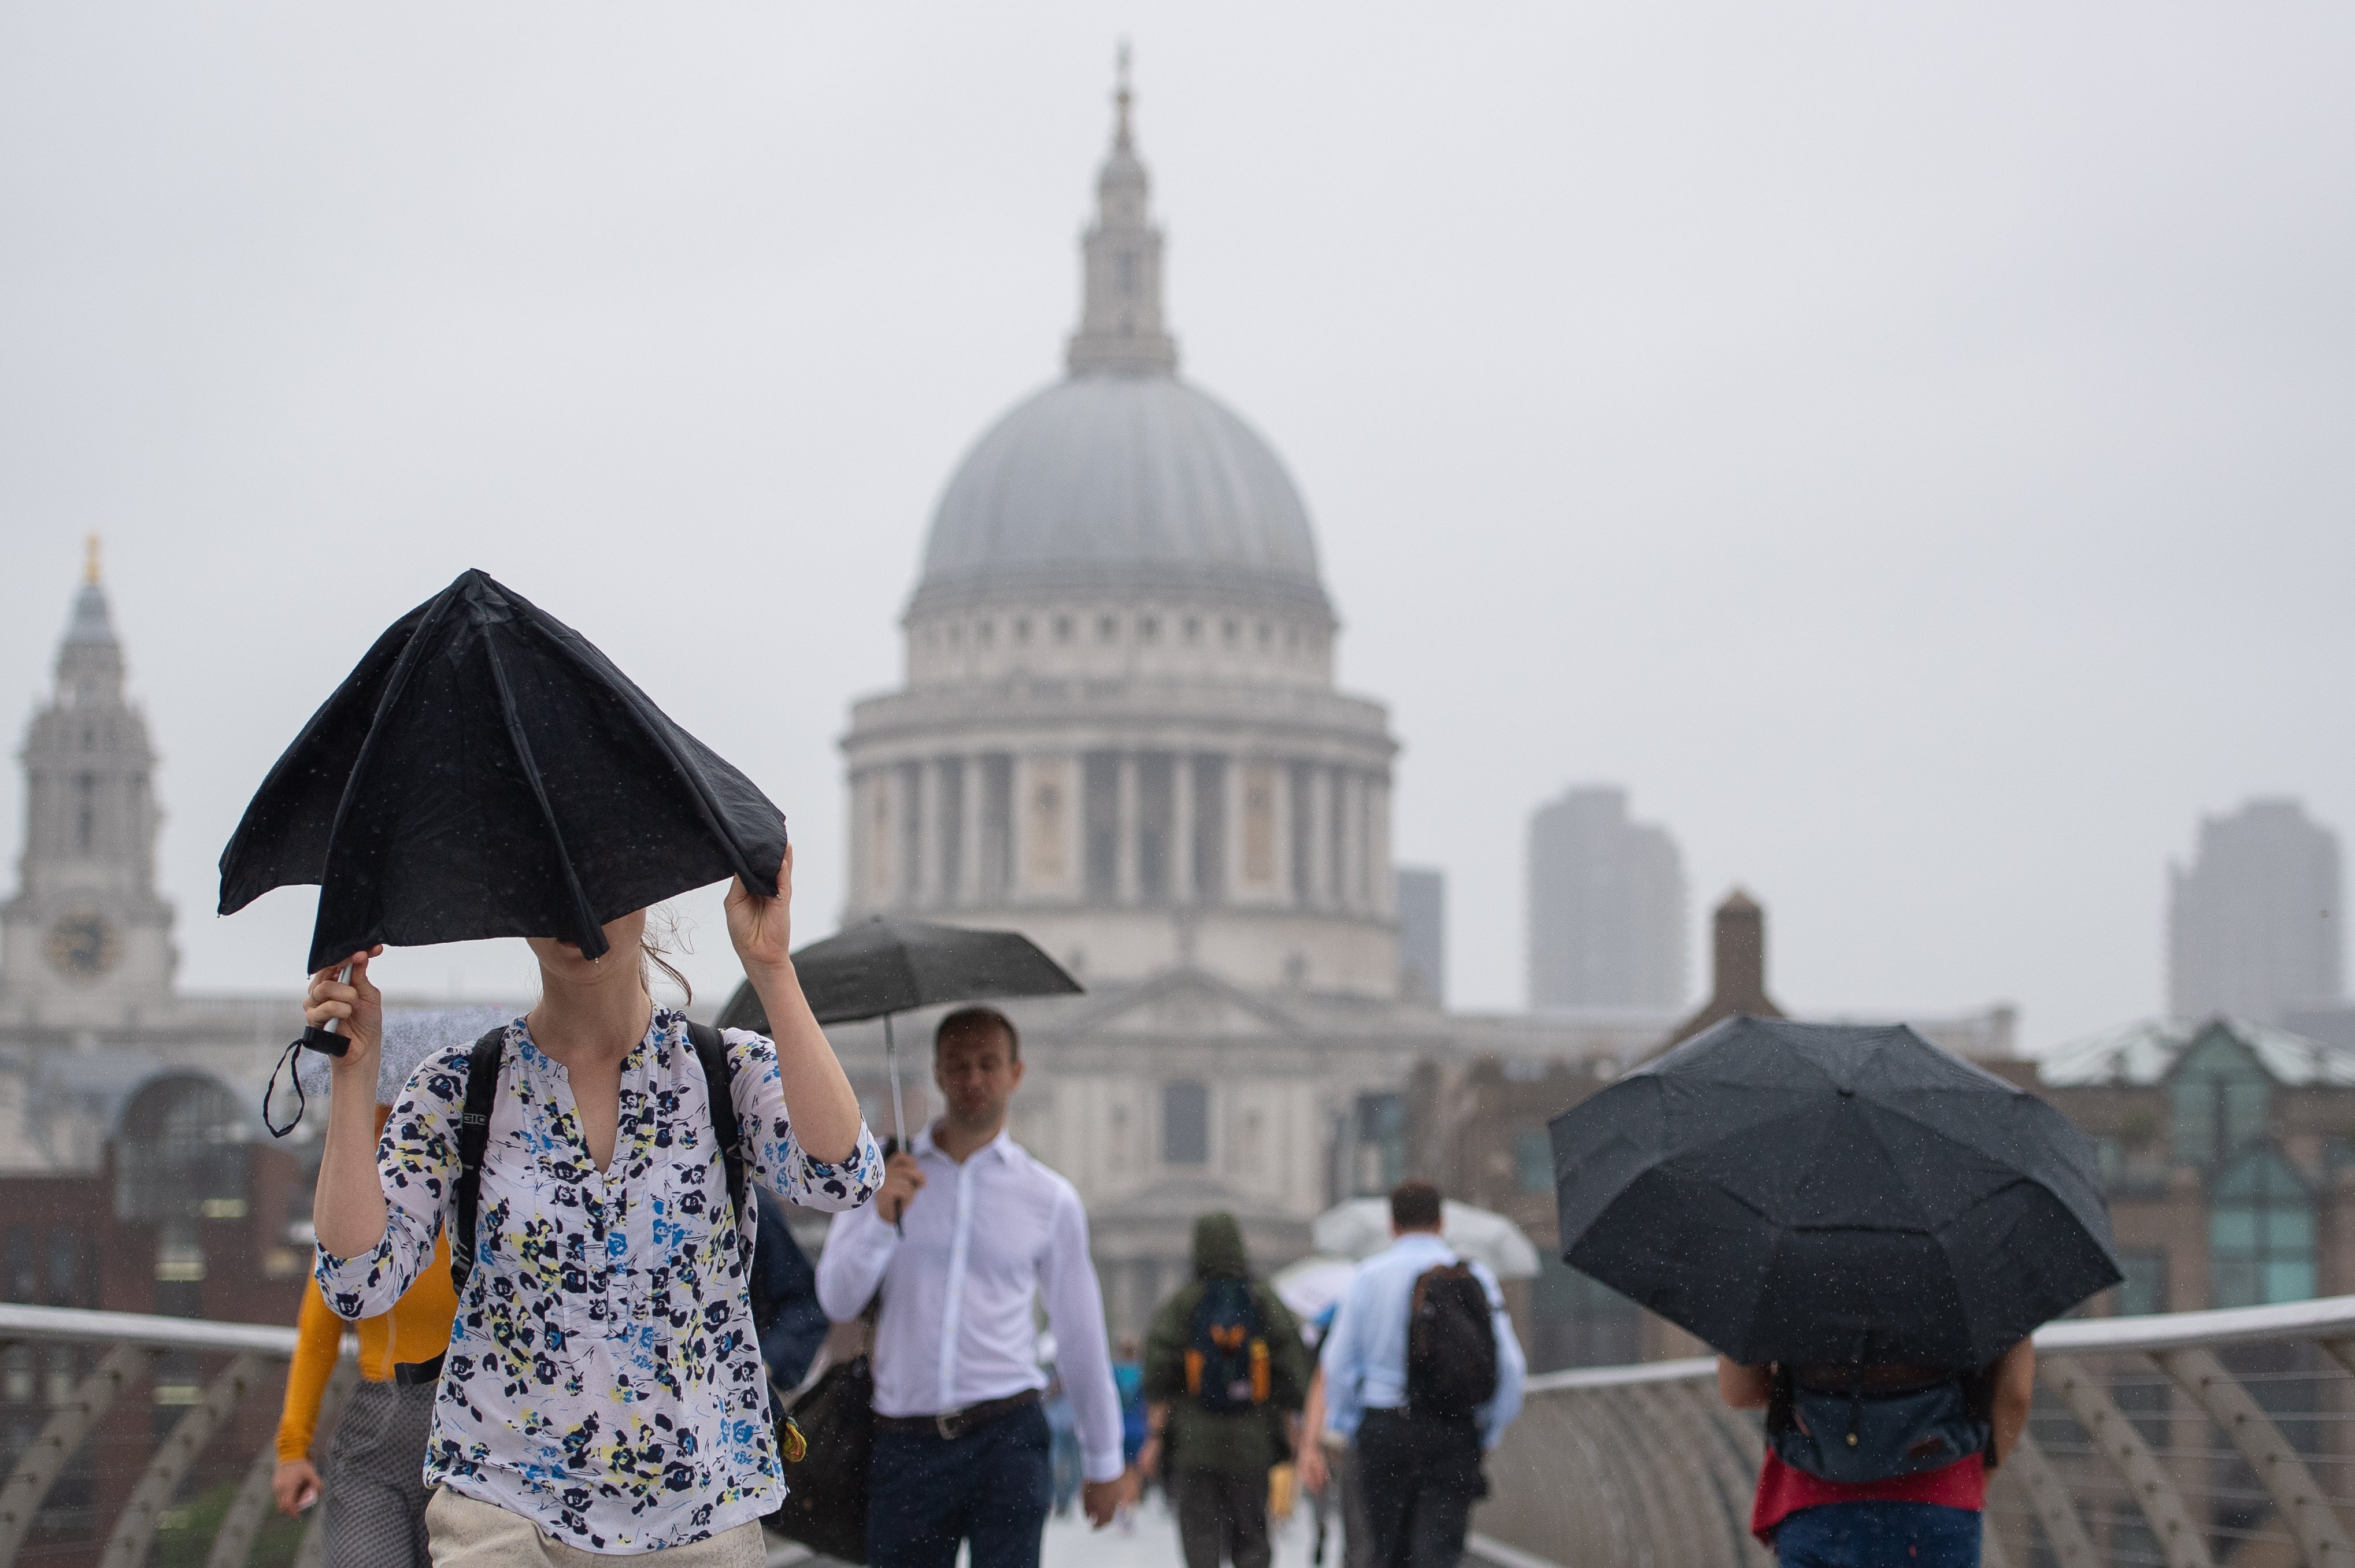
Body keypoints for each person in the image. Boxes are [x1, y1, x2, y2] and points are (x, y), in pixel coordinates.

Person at [307, 847, 884, 1562]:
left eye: (604, 885)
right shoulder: (460, 1089)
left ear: (649, 891)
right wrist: (353, 1075)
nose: (580, 916)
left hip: (699, 1511)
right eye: (550, 892)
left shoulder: (725, 1072)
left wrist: (771, 966)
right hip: (503, 1509)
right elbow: (356, 1280)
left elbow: (845, 1177)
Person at [814, 1006, 1124, 1568]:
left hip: (1006, 1437)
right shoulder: (881, 1172)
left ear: (1016, 1073)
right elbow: (836, 1298)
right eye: (958, 1065)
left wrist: (1104, 1461)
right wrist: (882, 1222)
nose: (974, 1079)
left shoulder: (1049, 1198)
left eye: (988, 1064)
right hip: (904, 1442)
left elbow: (1080, 1338)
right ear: (937, 1074)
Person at [1319, 1180, 1525, 1568]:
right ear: (1442, 1221)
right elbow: (1511, 1366)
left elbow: (1339, 1363)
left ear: (1392, 1224)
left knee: (1388, 1551)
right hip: (1453, 1429)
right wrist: (1489, 1429)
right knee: (1440, 1553)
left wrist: (1346, 1425)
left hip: (1385, 1429)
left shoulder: (1368, 1276)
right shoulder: (1473, 1276)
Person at [1717, 1339, 2036, 1567]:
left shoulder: (1786, 1252)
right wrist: (1981, 1476)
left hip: (1814, 1499)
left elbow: (1740, 1391)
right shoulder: (1976, 1252)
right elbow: (2017, 1392)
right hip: (1941, 1497)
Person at [1138, 1212, 1310, 1568]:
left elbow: (1156, 1375)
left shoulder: (1183, 1303)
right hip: (1252, 1447)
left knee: (1201, 1546)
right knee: (1251, 1544)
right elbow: (1294, 1374)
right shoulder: (1264, 1301)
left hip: (1193, 1447)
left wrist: (1158, 1433)